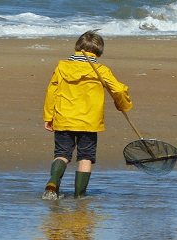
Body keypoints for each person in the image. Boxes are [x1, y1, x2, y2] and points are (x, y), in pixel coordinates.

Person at [42, 30, 133, 200]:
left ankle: (53, 183)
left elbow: (51, 92)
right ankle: (79, 195)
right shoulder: (101, 70)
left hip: (64, 117)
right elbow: (119, 89)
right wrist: (123, 104)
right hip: (89, 122)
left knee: (62, 154)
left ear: (77, 48)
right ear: (98, 52)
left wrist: (49, 116)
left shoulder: (62, 66)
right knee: (85, 157)